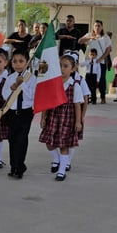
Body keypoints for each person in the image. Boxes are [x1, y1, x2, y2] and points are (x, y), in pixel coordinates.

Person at [39, 53, 82, 181]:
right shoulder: (53, 84)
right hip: (53, 117)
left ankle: (62, 171)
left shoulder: (75, 86)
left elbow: (77, 105)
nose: (62, 69)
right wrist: (43, 117)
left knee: (64, 146)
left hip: (67, 119)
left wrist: (78, 121)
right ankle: (56, 159)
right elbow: (46, 102)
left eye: (65, 66)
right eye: (60, 66)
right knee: (49, 143)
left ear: (72, 69)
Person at [2, 48, 36, 179]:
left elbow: (32, 96)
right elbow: (5, 95)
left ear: (27, 62)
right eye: (15, 61)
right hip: (12, 112)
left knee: (21, 140)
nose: (17, 64)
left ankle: (19, 166)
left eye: (21, 61)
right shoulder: (10, 78)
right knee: (12, 139)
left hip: (25, 112)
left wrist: (22, 85)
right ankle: (13, 166)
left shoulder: (32, 78)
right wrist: (12, 87)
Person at [78, 20, 112, 104]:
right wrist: (90, 38)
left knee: (101, 79)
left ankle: (103, 97)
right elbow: (80, 41)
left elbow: (108, 50)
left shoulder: (105, 37)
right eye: (95, 25)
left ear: (102, 27)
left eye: (99, 26)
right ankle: (91, 97)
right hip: (90, 62)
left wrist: (101, 58)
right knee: (89, 80)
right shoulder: (89, 35)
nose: (97, 27)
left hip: (100, 62)